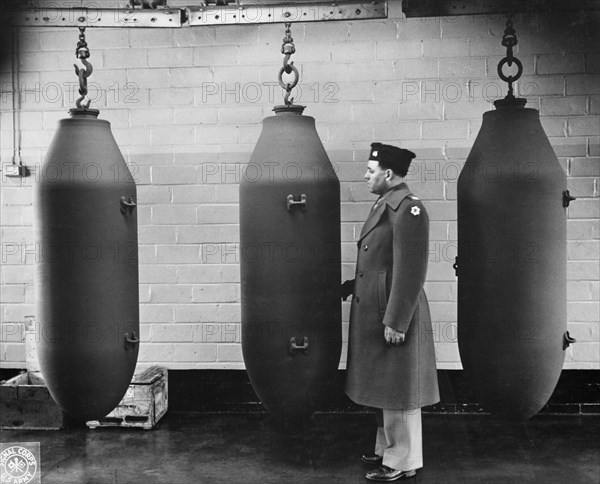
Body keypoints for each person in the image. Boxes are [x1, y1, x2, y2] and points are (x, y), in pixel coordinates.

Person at [341, 142, 439, 482]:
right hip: (378, 309)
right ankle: (387, 450)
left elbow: (411, 270)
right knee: (385, 387)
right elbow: (380, 263)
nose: (366, 176)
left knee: (400, 389)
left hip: (396, 312)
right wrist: (354, 285)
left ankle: (403, 461)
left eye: (370, 171)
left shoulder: (409, 210)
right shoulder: (385, 204)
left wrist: (397, 320)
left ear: (388, 173)